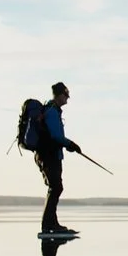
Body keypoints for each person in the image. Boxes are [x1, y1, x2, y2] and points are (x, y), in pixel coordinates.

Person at [32, 82, 82, 240]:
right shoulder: (52, 111)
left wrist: (66, 146)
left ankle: (52, 224)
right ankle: (48, 226)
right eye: (66, 95)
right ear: (59, 95)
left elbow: (55, 137)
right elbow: (56, 136)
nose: (67, 98)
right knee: (56, 188)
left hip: (51, 155)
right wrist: (70, 144)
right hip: (48, 156)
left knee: (55, 188)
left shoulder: (52, 110)